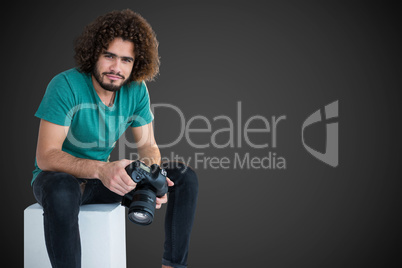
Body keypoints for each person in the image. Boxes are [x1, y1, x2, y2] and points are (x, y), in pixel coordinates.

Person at [31, 9, 198, 268]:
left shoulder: (136, 90)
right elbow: (46, 156)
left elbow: (148, 146)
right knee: (62, 187)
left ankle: (172, 266)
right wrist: (101, 169)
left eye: (126, 60)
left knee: (183, 177)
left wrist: (154, 176)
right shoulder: (65, 85)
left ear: (136, 63)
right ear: (94, 53)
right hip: (61, 181)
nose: (116, 68)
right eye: (109, 56)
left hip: (105, 181)